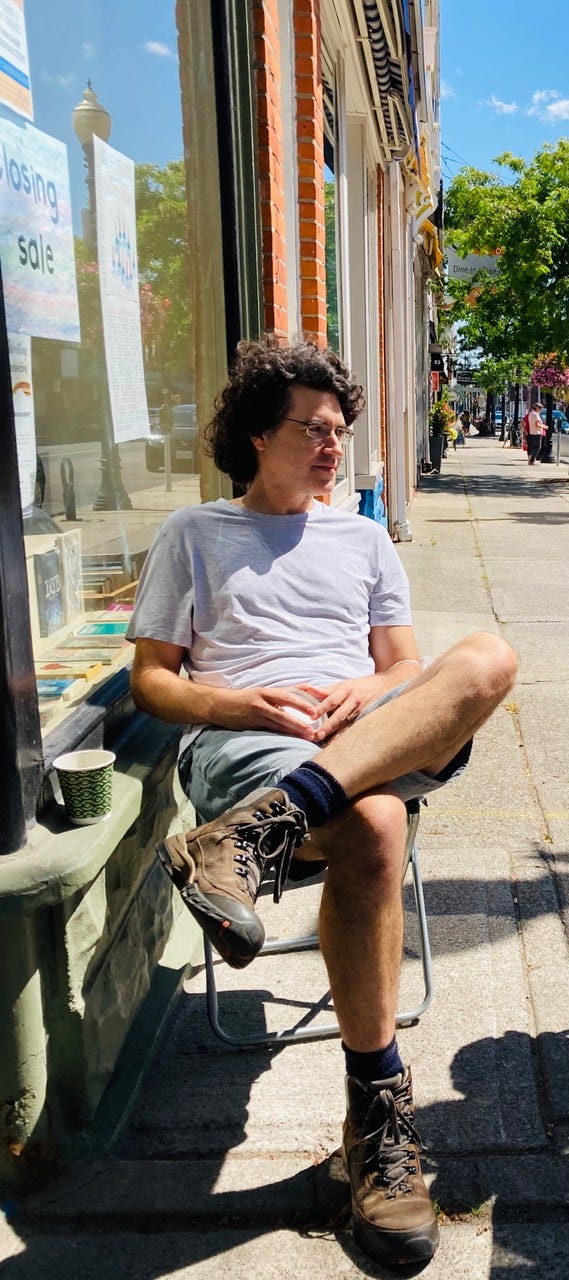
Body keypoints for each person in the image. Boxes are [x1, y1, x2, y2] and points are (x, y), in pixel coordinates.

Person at [127, 339, 517, 1268]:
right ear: (259, 436)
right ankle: (377, 1126)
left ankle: (246, 845)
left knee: (490, 659)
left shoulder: (363, 536)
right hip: (246, 746)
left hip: (358, 736)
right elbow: (150, 682)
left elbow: (407, 667)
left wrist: (367, 692)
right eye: (315, 429)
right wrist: (241, 701)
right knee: (377, 820)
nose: (334, 446)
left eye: (340, 431)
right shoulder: (194, 534)